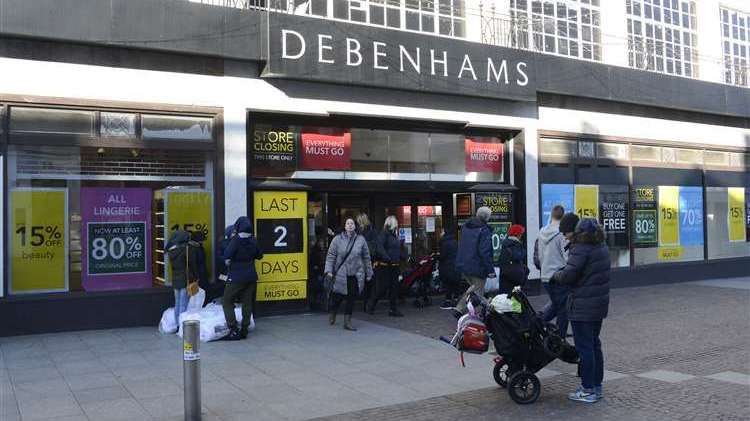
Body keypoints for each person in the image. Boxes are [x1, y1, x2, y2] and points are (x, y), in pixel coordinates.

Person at [551, 217, 610, 403]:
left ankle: (587, 389)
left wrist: (556, 276)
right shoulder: (602, 248)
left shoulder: (581, 249)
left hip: (582, 306)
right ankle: (597, 386)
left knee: (585, 347)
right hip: (598, 305)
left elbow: (569, 275)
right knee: (594, 345)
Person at [324, 218, 374, 331]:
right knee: (338, 297)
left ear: (355, 226)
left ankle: (347, 321)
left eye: (352, 223)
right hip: (341, 274)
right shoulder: (337, 239)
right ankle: (333, 311)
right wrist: (328, 271)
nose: (350, 225)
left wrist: (369, 272)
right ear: (344, 226)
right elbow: (331, 256)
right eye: (348, 223)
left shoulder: (361, 240)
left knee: (351, 297)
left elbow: (366, 257)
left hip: (355, 274)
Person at [222, 216, 264, 341]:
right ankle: (244, 329)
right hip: (251, 276)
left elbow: (227, 255)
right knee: (247, 302)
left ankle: (233, 328)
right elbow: (260, 255)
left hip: (236, 277)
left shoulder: (236, 240)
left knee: (227, 301)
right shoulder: (253, 240)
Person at [451, 206, 495, 317]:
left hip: (463, 264)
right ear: (487, 217)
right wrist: (490, 270)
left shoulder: (466, 227)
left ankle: (489, 308)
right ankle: (460, 310)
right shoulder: (484, 230)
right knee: (477, 292)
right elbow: (485, 252)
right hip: (477, 267)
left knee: (474, 289)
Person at [538, 206, 572, 337]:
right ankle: (559, 337)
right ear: (563, 216)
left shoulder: (542, 232)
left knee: (556, 305)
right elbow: (567, 256)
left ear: (551, 215)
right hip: (558, 276)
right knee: (563, 309)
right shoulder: (562, 233)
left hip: (546, 275)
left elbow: (540, 255)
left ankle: (537, 324)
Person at [367, 216, 404, 317]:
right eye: (396, 223)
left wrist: (404, 257)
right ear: (392, 224)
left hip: (394, 266)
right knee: (382, 288)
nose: (397, 225)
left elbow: (397, 249)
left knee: (394, 288)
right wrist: (387, 258)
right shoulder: (384, 234)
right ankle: (371, 305)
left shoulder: (393, 235)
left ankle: (393, 309)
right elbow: (379, 248)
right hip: (385, 266)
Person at [166, 230, 200, 326]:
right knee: (184, 304)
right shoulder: (188, 250)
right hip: (186, 278)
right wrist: (196, 277)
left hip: (176, 279)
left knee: (177, 303)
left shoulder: (171, 251)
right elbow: (193, 265)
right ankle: (182, 325)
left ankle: (177, 324)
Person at [498, 224, 528, 294]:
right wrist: (523, 250)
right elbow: (518, 256)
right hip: (513, 275)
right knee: (513, 297)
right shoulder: (514, 244)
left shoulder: (506, 243)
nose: (521, 235)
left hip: (505, 274)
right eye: (521, 234)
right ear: (517, 234)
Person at [358, 213, 379, 310]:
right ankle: (367, 304)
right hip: (368, 260)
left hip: (367, 260)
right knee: (368, 283)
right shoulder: (370, 231)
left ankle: (368, 304)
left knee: (368, 283)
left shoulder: (364, 232)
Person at [438, 225, 460, 309]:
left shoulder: (444, 242)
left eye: (442, 231)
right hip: (455, 266)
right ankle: (455, 300)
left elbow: (443, 256)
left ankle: (448, 301)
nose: (441, 233)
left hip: (447, 267)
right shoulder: (455, 241)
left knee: (448, 284)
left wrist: (436, 256)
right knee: (455, 284)